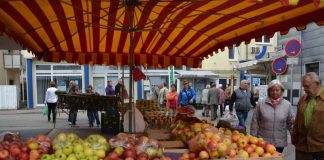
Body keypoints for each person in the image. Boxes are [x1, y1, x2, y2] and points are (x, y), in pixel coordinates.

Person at [250, 79, 294, 153]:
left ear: (281, 91)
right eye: (272, 90)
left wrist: (294, 136)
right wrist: (253, 138)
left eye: (277, 90)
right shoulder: (261, 104)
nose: (274, 92)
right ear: (268, 91)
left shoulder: (287, 105)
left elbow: (291, 122)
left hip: (279, 142)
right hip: (263, 142)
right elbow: (255, 122)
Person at [292, 72, 324, 160]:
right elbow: (297, 121)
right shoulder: (303, 99)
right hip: (302, 147)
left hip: (321, 148)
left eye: (307, 86)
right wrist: (294, 138)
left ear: (317, 84)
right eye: (303, 86)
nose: (304, 89)